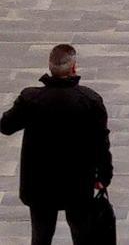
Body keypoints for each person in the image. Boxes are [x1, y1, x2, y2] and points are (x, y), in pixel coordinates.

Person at [2, 44, 113, 245]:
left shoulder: (31, 98)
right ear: (74, 68)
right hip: (78, 183)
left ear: (50, 67)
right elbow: (101, 145)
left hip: (39, 185)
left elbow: (6, 126)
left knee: (41, 238)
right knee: (83, 237)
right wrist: (104, 176)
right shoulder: (89, 100)